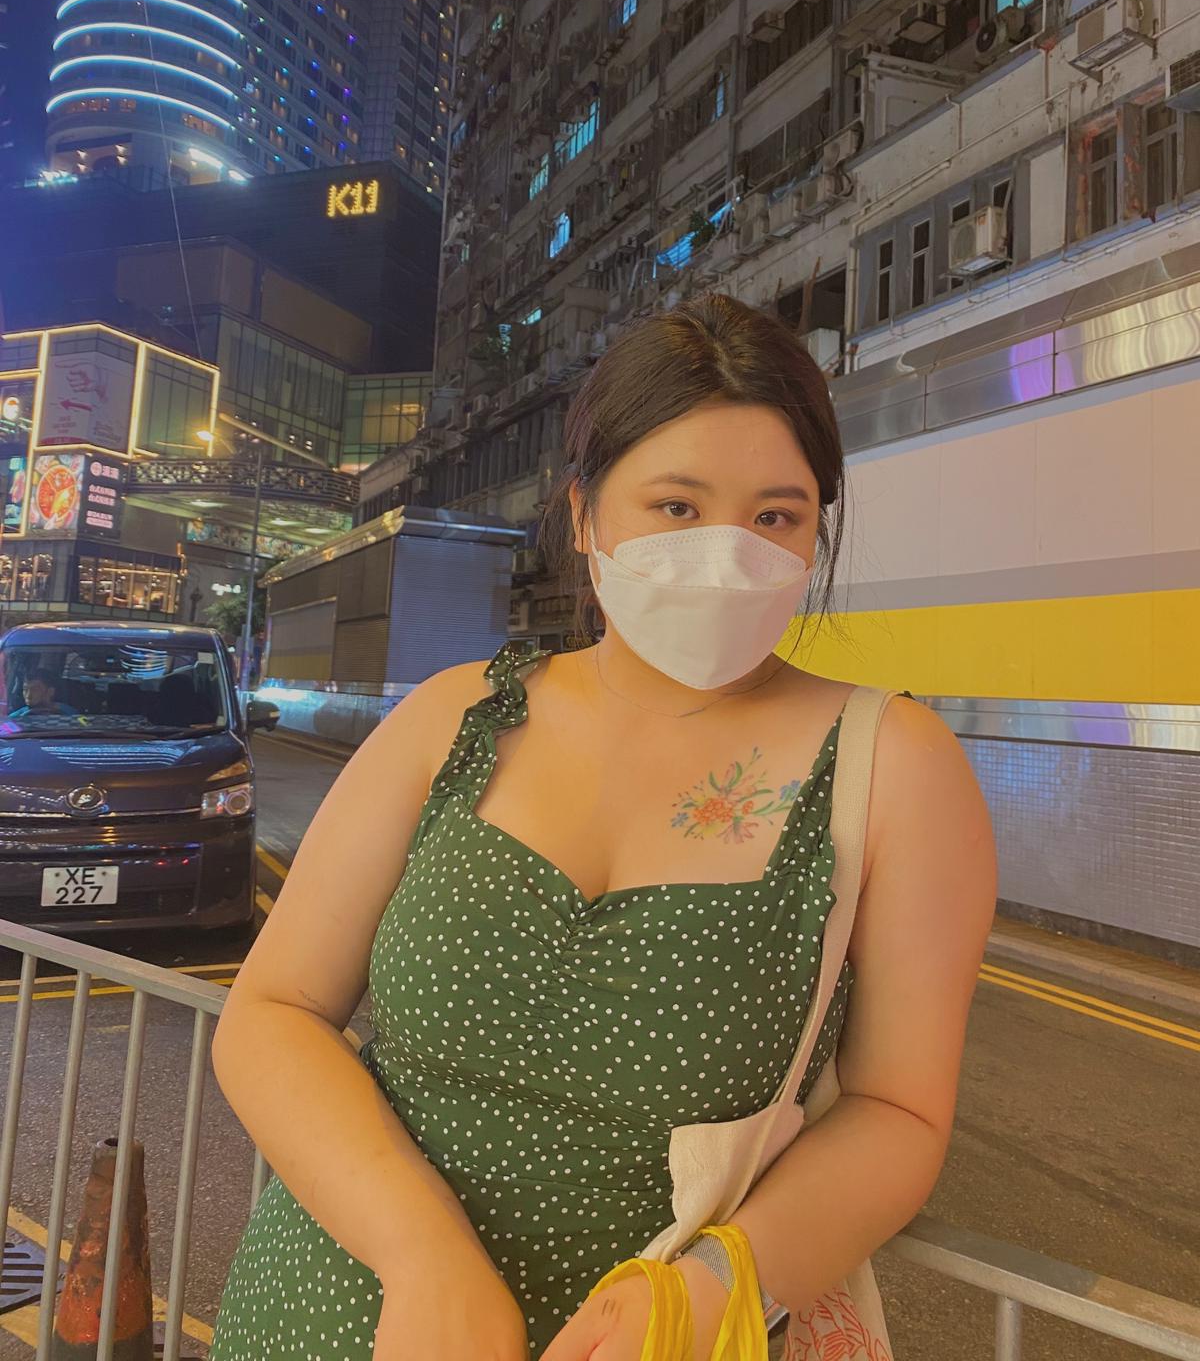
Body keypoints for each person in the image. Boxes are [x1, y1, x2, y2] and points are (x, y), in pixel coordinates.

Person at [208, 294, 997, 1361]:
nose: (726, 554)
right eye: (677, 506)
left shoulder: (895, 767)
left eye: (775, 517)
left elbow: (900, 1112)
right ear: (583, 516)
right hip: (321, 1316)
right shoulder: (451, 720)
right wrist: (422, 1255)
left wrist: (714, 1287)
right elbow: (275, 1010)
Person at [9, 666, 77, 718]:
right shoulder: (17, 716)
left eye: (35, 690)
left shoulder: (69, 713)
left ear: (50, 692)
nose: (28, 696)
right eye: (25, 689)